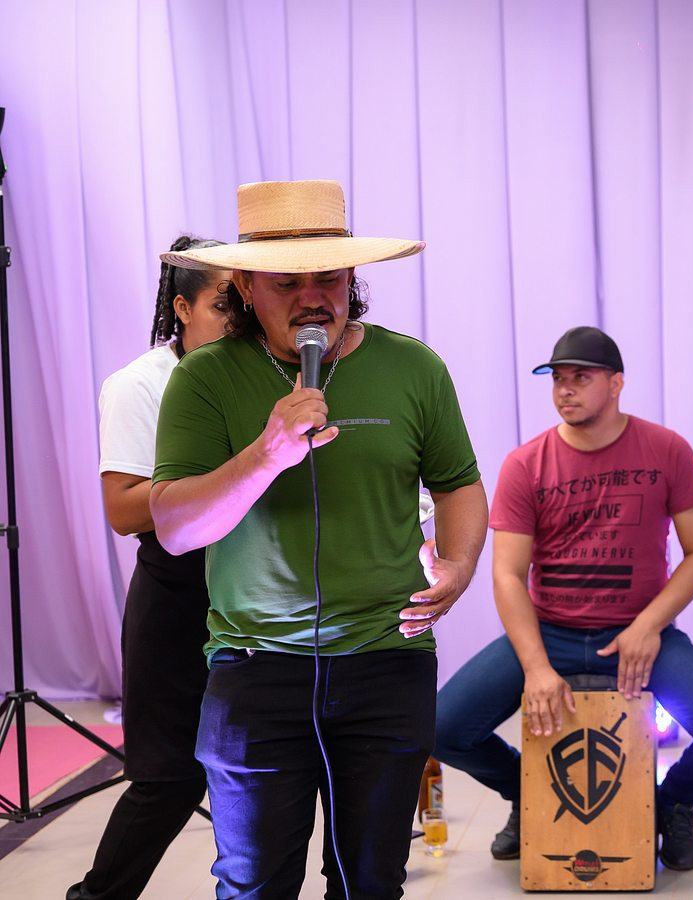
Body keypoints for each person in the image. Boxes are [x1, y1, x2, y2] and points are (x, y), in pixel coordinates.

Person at [150, 180, 488, 898]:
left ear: (352, 276)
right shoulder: (204, 379)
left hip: (387, 659)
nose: (312, 299)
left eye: (328, 277)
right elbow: (176, 529)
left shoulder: (413, 368)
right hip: (255, 667)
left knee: (371, 881)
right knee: (253, 885)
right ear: (246, 287)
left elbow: (458, 482)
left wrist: (459, 566)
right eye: (286, 282)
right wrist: (265, 455)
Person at [434, 326, 693, 872]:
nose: (565, 389)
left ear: (616, 383)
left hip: (639, 631)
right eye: (557, 378)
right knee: (442, 728)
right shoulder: (526, 464)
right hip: (550, 633)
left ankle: (671, 805)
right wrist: (537, 667)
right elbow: (507, 575)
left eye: (580, 377)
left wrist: (648, 626)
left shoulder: (667, 450)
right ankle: (528, 796)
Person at [69, 236, 229, 900]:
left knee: (264, 771)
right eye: (223, 305)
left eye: (246, 305)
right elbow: (124, 510)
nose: (238, 320)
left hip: (253, 590)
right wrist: (237, 477)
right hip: (178, 594)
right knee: (169, 778)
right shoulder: (140, 383)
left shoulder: (260, 372)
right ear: (183, 309)